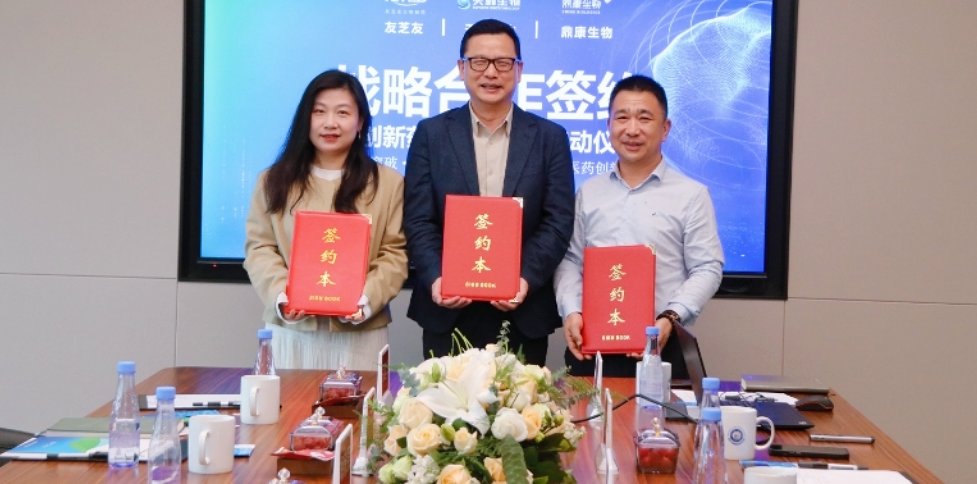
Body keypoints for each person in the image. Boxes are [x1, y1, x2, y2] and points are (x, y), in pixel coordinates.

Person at [403, 19, 574, 366]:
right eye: (479, 61)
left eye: (503, 62)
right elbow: (418, 218)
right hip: (448, 310)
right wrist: (437, 276)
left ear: (519, 69)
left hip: (521, 310)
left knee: (522, 402)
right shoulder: (431, 134)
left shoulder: (549, 138)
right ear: (461, 68)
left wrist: (523, 278)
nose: (491, 73)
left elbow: (557, 222)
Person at [554, 75, 724, 378]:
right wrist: (572, 310)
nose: (632, 129)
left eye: (644, 118)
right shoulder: (588, 192)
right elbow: (570, 259)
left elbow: (707, 267)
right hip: (591, 345)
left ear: (665, 129)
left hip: (662, 343)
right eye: (622, 118)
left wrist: (670, 317)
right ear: (608, 125)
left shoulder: (692, 195)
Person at [244, 70, 408, 370]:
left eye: (342, 112)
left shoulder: (388, 183)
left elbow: (395, 254)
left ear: (360, 122)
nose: (330, 123)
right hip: (292, 331)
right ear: (305, 119)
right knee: (288, 401)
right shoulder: (273, 181)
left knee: (362, 403)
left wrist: (365, 300)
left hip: (361, 331)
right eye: (319, 111)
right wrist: (283, 295)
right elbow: (260, 247)